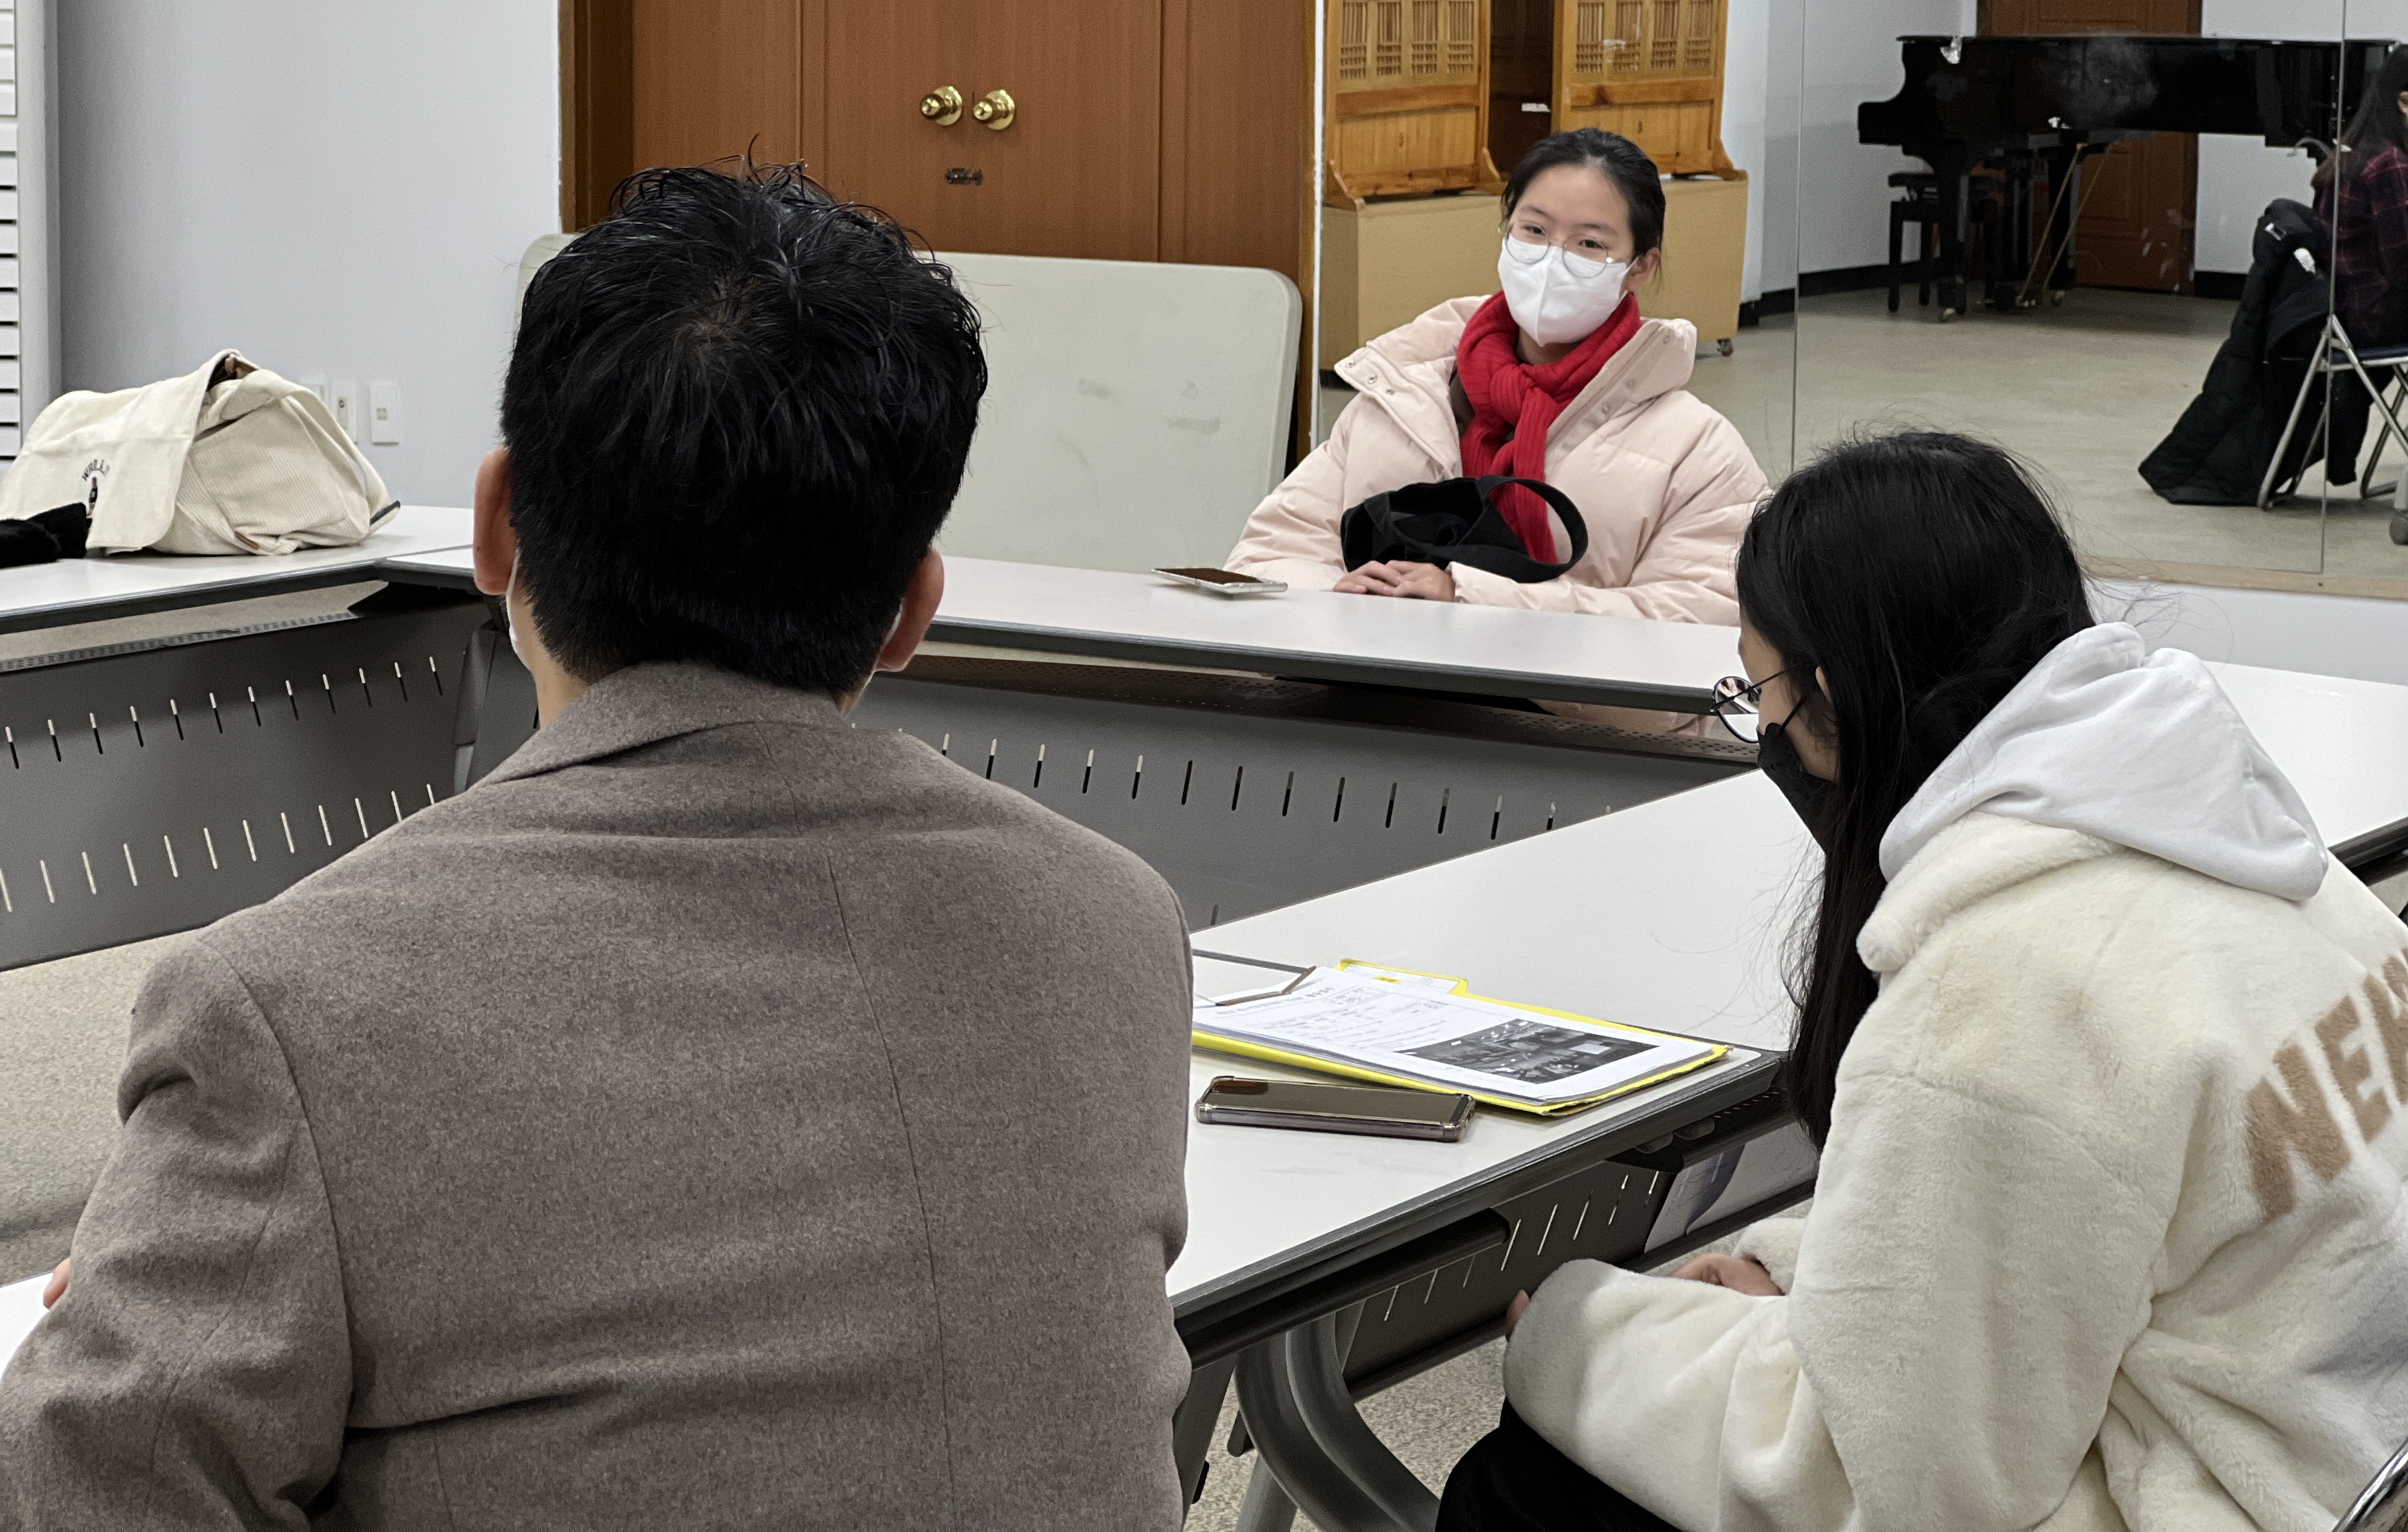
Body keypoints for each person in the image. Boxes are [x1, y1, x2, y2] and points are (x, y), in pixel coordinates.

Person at [0, 165, 1198, 1531]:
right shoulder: (1115, 918)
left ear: (495, 529)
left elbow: (89, 1490)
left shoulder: (291, 1004)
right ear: (911, 610)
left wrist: (173, 1318)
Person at [1440, 429, 2408, 1531]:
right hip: (2344, 1458)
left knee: (1522, 1483)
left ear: (1832, 690)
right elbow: (2089, 1230)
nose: (1764, 728)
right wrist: (1808, 1273)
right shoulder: (2265, 854)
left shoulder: (1997, 990)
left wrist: (1581, 1336)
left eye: (1758, 688)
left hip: (2225, 1498)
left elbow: (1899, 1486)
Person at [1226, 129, 1766, 634]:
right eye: (1534, 231)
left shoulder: (1696, 449)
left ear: (1640, 268)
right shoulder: (1399, 396)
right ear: (1506, 231)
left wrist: (1472, 603)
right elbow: (1265, 558)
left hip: (1552, 710)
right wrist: (1340, 597)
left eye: (1589, 244)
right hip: (1369, 694)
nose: (1552, 260)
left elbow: (1705, 626)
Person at [2317, 45, 2408, 483]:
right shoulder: (2389, 163)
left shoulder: (2354, 148)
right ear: (2404, 101)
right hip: (2375, 315)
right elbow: (2405, 268)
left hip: (2348, 310)